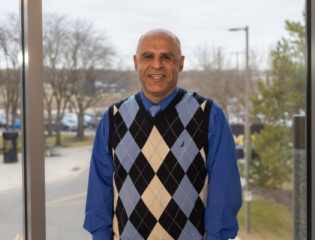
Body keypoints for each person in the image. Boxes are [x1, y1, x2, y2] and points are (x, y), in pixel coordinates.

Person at [84, 29, 242, 240]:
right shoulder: (113, 118)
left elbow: (224, 195)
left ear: (181, 63)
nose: (157, 65)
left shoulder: (209, 115)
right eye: (148, 56)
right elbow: (99, 195)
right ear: (135, 62)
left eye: (167, 57)